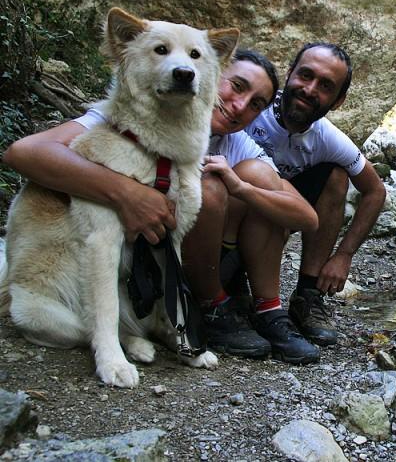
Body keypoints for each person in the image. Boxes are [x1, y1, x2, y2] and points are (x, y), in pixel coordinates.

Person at [2, 49, 322, 363]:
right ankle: (210, 306)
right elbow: (25, 153)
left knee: (256, 176)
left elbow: (306, 217)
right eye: (236, 86)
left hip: (186, 254)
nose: (239, 106)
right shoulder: (139, 113)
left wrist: (242, 187)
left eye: (256, 104)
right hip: (133, 256)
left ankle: (267, 310)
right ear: (209, 75)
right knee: (208, 187)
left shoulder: (235, 141)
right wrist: (127, 193)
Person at [243, 42, 386, 346]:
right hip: (232, 211)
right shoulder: (249, 110)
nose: (309, 89)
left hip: (277, 217)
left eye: (325, 86)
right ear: (289, 73)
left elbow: (375, 191)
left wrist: (344, 255)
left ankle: (308, 294)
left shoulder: (329, 139)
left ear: (338, 101)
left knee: (336, 174)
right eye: (305, 76)